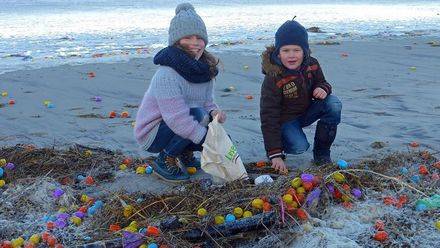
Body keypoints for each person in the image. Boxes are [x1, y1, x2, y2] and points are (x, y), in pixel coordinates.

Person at [134, 3, 226, 182]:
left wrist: (215, 113)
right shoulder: (167, 74)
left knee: (209, 122)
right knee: (198, 115)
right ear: (176, 42)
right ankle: (165, 158)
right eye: (188, 38)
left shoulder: (204, 70)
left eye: (199, 38)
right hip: (153, 133)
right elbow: (176, 118)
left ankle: (185, 154)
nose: (195, 43)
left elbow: (206, 102)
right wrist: (205, 140)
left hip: (180, 122)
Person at [260, 19, 342, 173]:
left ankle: (322, 154)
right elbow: (268, 115)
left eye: (296, 50)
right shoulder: (273, 77)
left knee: (334, 103)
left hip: (306, 111)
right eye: (286, 50)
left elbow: (323, 82)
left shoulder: (312, 64)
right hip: (285, 120)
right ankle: (279, 147)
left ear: (305, 51)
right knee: (299, 147)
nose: (291, 55)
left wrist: (322, 88)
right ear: (278, 52)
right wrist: (274, 154)